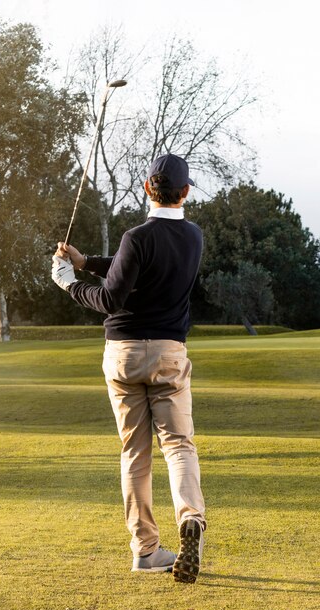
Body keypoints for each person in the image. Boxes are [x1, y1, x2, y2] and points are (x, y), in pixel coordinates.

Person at [51, 154, 206, 584]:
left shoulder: (135, 237)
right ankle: (190, 517)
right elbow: (128, 267)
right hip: (169, 354)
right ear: (186, 191)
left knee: (136, 452)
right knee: (179, 446)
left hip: (122, 354)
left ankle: (146, 551)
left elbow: (110, 298)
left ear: (145, 188)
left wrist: (69, 281)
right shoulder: (194, 238)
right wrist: (86, 263)